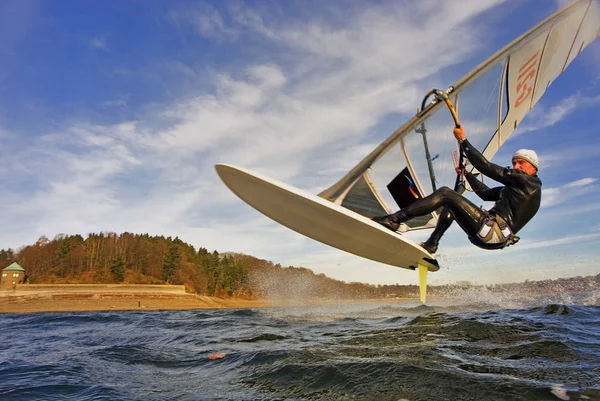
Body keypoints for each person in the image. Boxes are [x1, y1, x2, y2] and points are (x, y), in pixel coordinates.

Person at [372, 125, 542, 254]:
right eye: (514, 163)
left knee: (446, 193)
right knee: (451, 204)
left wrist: (463, 141)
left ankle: (394, 220)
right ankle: (432, 243)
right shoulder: (515, 189)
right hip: (491, 236)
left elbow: (486, 166)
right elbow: (484, 194)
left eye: (521, 163)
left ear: (533, 168)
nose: (516, 166)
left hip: (493, 233)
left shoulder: (528, 183)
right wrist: (466, 174)